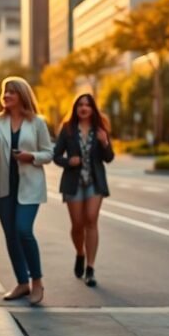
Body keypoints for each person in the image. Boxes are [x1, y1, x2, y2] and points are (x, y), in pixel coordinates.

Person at [0, 77, 53, 306]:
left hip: (30, 186)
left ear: (22, 95)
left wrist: (31, 156)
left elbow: (48, 153)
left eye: (11, 92)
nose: (6, 95)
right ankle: (22, 283)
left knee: (23, 230)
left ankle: (37, 281)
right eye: (5, 91)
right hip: (3, 186)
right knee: (11, 235)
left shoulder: (37, 123)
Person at [53, 94, 114, 287]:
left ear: (93, 109)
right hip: (74, 182)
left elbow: (109, 158)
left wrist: (105, 143)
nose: (84, 108)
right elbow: (56, 156)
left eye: (88, 105)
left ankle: (90, 268)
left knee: (91, 220)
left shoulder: (100, 129)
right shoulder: (67, 129)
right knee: (77, 224)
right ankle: (80, 253)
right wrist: (68, 161)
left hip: (95, 182)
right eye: (80, 104)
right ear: (76, 108)